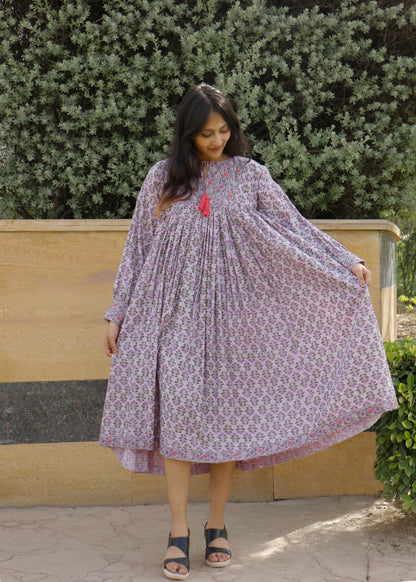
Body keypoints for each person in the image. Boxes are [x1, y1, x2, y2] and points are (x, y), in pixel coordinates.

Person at [100, 84, 398, 580]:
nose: (217, 140)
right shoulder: (162, 178)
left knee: (225, 422)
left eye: (224, 130)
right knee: (177, 420)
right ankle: (178, 530)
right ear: (187, 135)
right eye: (206, 134)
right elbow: (138, 249)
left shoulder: (250, 175)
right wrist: (117, 313)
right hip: (170, 318)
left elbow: (293, 226)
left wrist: (344, 260)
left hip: (235, 321)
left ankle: (217, 524)